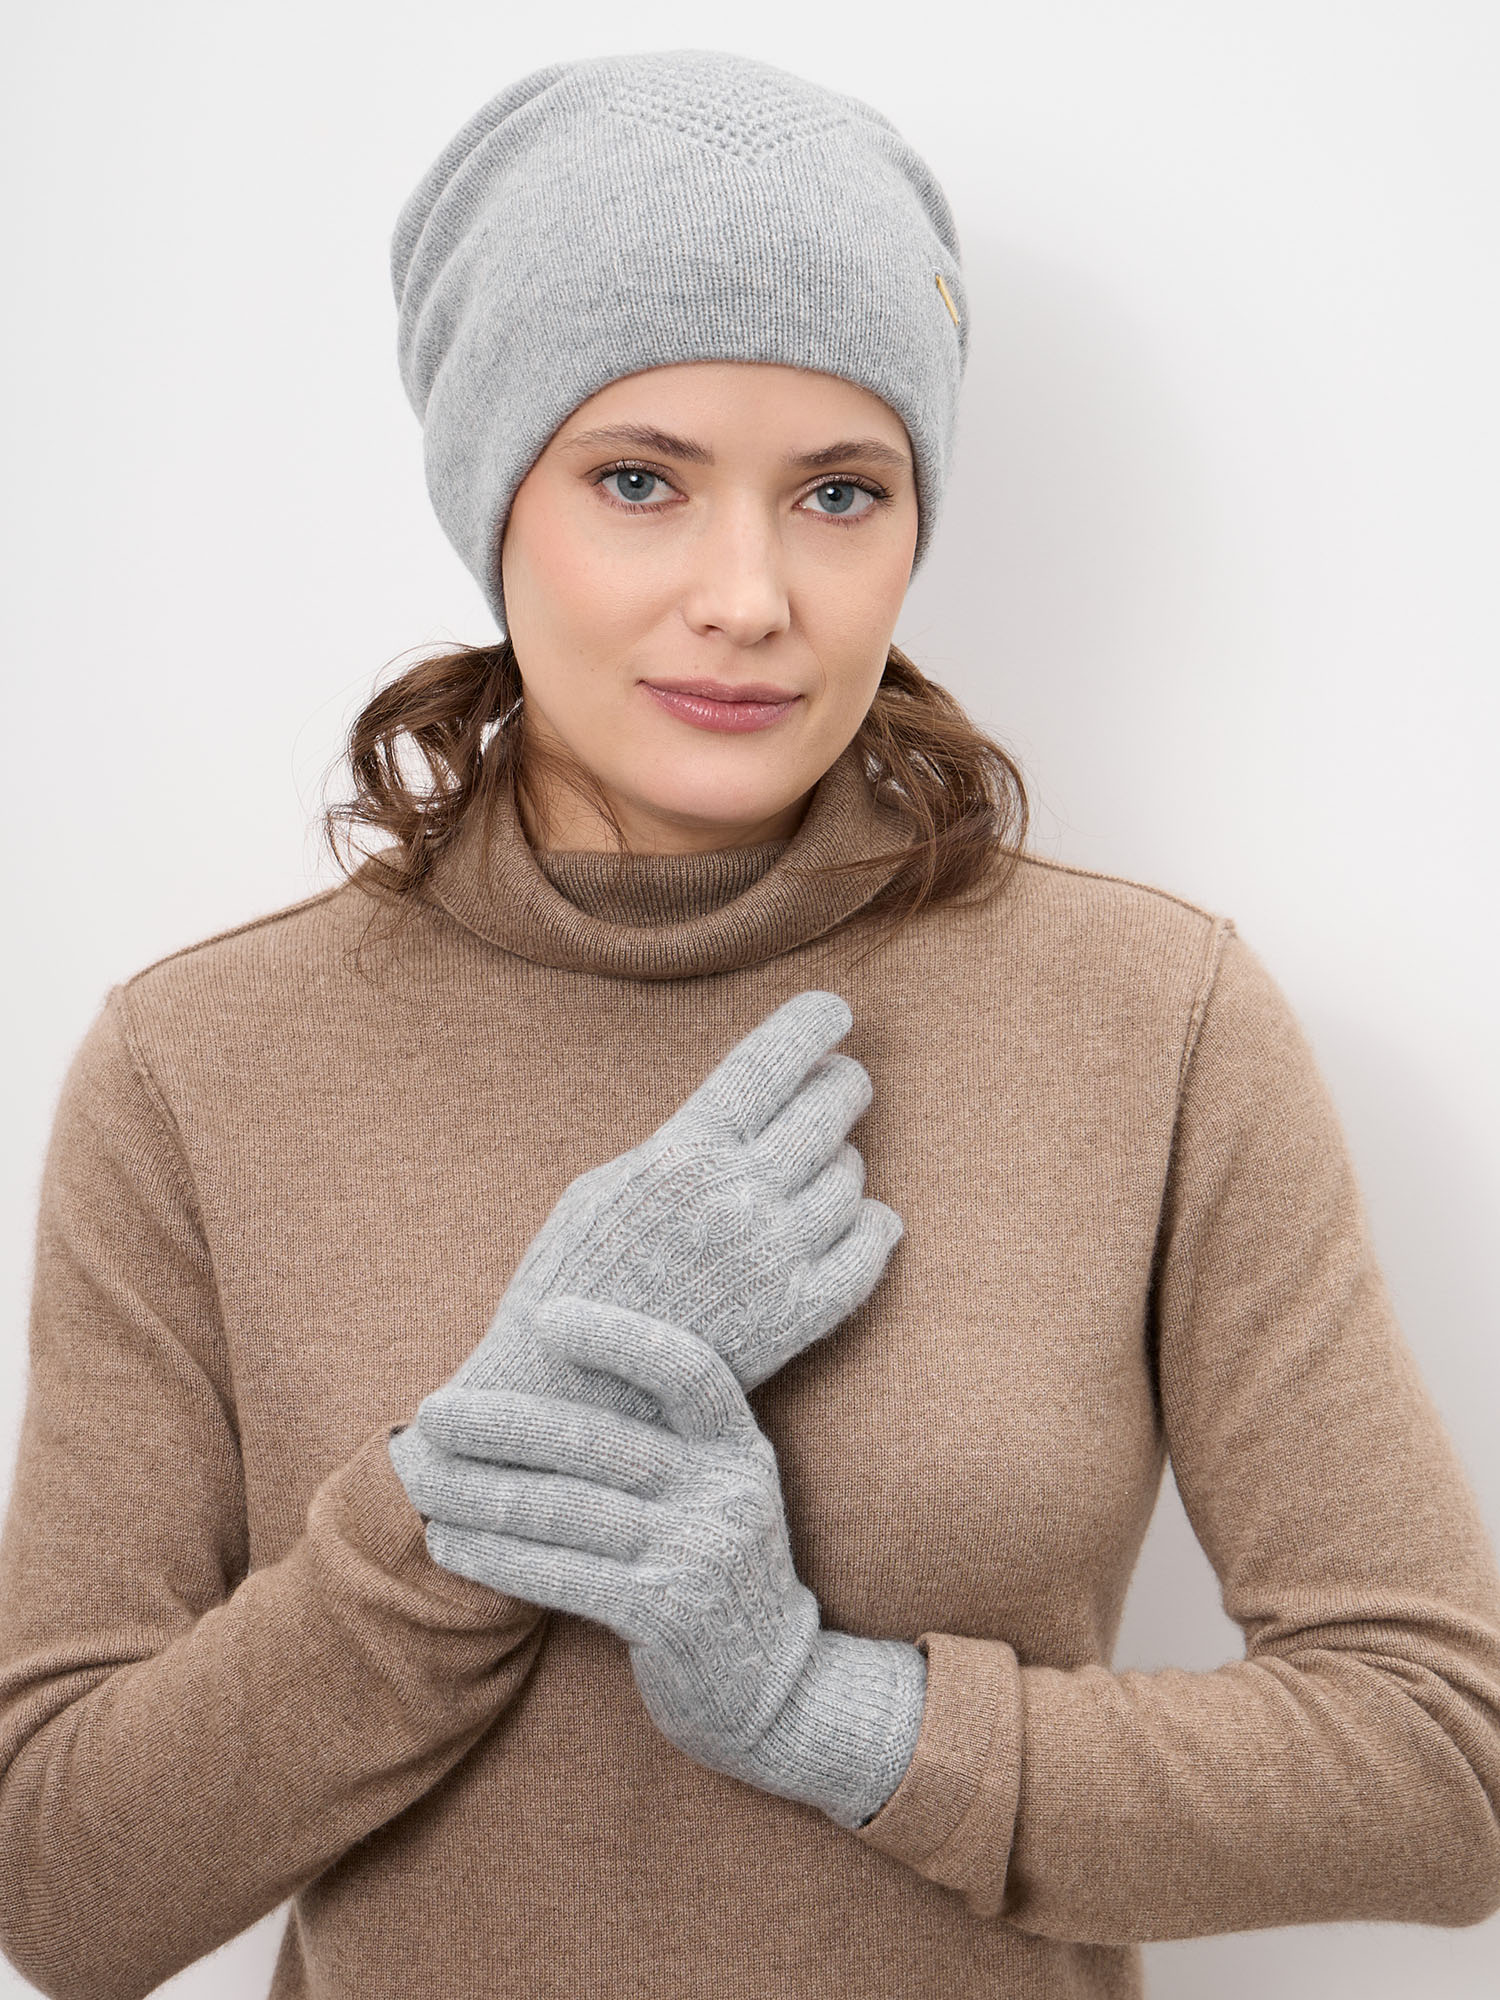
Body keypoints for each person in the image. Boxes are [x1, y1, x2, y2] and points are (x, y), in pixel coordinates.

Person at [2, 45, 1498, 2000]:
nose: (749, 593)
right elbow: (65, 1886)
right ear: (494, 499)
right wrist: (482, 1477)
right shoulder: (197, 1068)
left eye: (839, 492)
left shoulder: (1156, 1022)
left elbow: (1440, 1767)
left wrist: (830, 1712)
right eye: (640, 480)